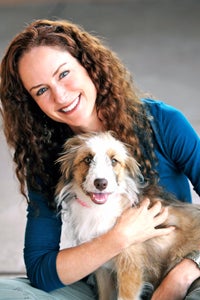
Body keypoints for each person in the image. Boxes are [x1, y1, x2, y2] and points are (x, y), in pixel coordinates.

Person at [0, 19, 199, 300]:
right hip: (103, 281)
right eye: (41, 90)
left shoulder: (162, 122)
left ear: (88, 65)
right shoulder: (47, 156)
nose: (60, 95)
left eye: (64, 73)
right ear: (31, 102)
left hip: (184, 272)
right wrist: (118, 239)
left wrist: (186, 271)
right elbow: (42, 271)